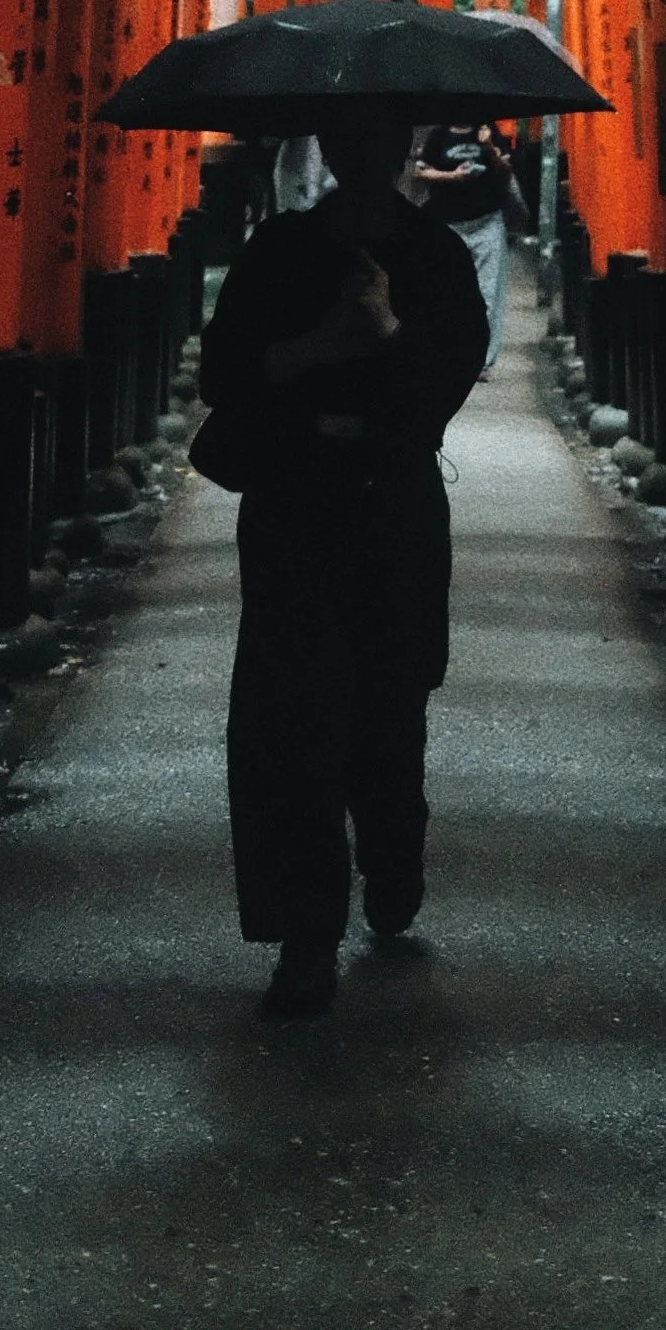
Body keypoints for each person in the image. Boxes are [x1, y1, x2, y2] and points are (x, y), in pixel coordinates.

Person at [193, 105, 491, 1017]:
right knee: (295, 713)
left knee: (390, 702)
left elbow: (449, 378)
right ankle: (306, 934)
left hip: (394, 504)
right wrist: (318, 345)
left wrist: (390, 327)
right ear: (325, 147)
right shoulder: (280, 249)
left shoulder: (435, 257)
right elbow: (221, 373)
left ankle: (395, 851)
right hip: (294, 502)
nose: (361, 156)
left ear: (403, 146)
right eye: (345, 141)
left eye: (379, 140)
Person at [408, 121, 532, 375]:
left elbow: (506, 172)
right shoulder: (439, 136)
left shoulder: (488, 132)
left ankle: (481, 361)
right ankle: (449, 354)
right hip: (448, 224)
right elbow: (419, 172)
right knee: (446, 292)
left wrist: (488, 147)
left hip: (486, 222)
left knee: (487, 292)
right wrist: (454, 176)